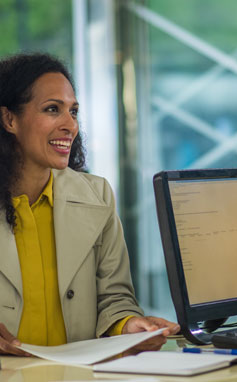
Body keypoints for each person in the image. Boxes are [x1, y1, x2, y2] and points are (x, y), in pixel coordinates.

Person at [0, 53, 179, 356]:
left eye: (73, 111)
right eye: (52, 109)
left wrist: (129, 325)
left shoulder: (98, 196)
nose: (70, 124)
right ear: (9, 119)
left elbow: (115, 297)